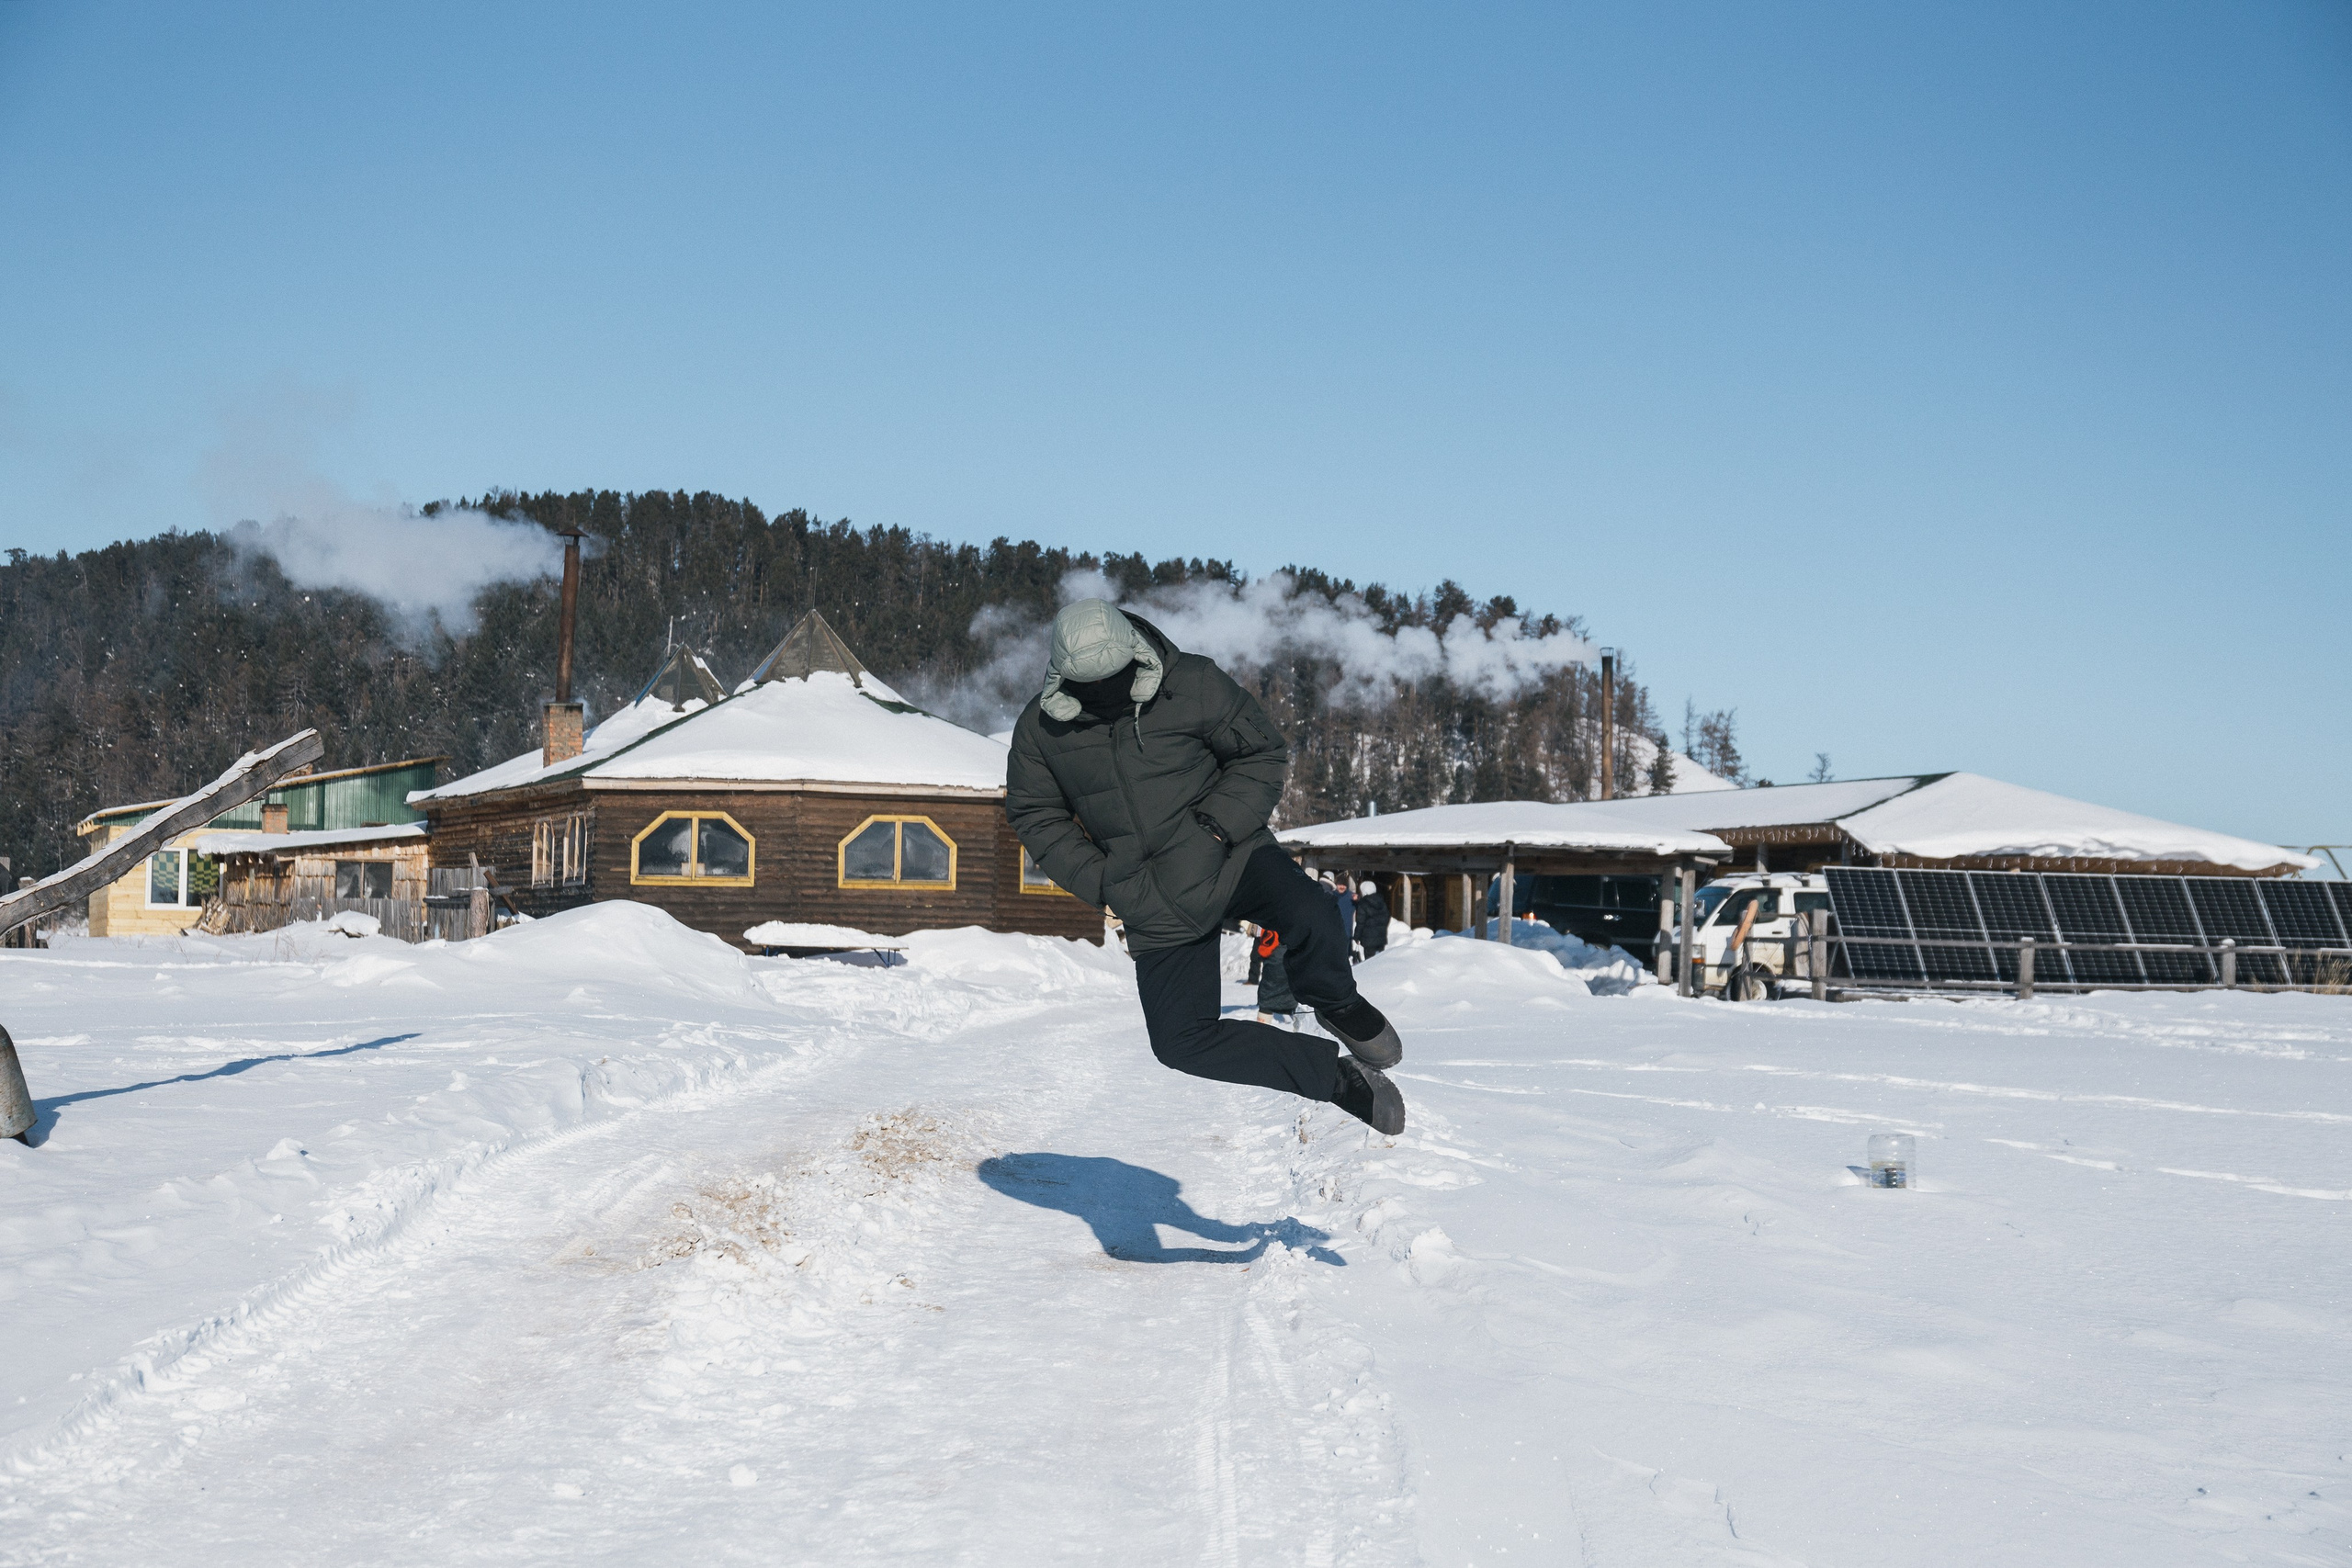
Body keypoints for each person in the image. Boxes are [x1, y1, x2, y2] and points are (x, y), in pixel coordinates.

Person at [1005, 599, 1407, 1134]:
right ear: (1062, 673)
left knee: (1312, 913)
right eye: (1087, 683)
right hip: (1148, 892)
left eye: (1114, 677)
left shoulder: (1190, 682)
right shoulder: (1039, 728)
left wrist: (1215, 827)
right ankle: (1337, 1080)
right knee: (1179, 1042)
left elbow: (1260, 754)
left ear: (1133, 653)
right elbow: (1034, 813)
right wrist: (1104, 883)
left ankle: (1335, 1001)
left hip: (1230, 853)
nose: (1104, 693)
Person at [1355, 879, 1391, 958]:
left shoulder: (1363, 904)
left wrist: (1357, 936)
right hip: (1381, 938)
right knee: (1379, 961)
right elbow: (1387, 917)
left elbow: (1360, 922)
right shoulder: (1382, 902)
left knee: (1370, 963)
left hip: (1368, 940)